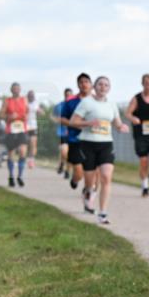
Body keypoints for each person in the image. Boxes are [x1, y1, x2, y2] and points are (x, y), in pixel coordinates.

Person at [68, 76, 129, 224]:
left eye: (106, 85)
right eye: (100, 84)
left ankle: (102, 213)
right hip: (88, 144)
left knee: (106, 177)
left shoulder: (112, 105)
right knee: (91, 182)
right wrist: (89, 123)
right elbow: (73, 122)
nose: (103, 87)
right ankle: (87, 192)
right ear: (94, 87)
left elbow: (117, 122)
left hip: (106, 144)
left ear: (109, 88)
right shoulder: (87, 103)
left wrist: (121, 127)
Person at [59, 73, 93, 206]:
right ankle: (74, 179)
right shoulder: (71, 103)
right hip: (76, 140)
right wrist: (74, 123)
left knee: (92, 173)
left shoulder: (97, 101)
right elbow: (62, 118)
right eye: (81, 82)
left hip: (93, 140)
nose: (84, 84)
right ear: (78, 85)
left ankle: (88, 195)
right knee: (79, 173)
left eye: (86, 81)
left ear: (91, 84)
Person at [0, 82, 29, 187]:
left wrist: (25, 117)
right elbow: (0, 114)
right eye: (14, 89)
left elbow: (28, 112)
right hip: (10, 130)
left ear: (20, 90)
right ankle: (11, 176)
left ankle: (20, 176)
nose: (16, 90)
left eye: (17, 88)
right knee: (10, 154)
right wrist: (9, 117)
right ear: (11, 90)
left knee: (22, 151)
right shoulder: (7, 101)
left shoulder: (24, 100)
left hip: (21, 129)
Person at [52, 88, 74, 177]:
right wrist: (56, 120)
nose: (68, 96)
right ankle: (61, 163)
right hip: (62, 132)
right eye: (66, 94)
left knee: (70, 153)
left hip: (73, 132)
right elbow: (53, 116)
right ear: (64, 95)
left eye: (70, 94)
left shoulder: (76, 106)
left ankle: (67, 171)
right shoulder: (59, 106)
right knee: (64, 152)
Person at [25, 89, 42, 168]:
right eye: (30, 95)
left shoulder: (36, 103)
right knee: (25, 144)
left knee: (33, 143)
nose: (31, 97)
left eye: (32, 95)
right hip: (24, 126)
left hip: (33, 126)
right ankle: (24, 158)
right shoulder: (24, 102)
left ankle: (31, 160)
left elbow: (39, 112)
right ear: (28, 96)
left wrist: (40, 112)